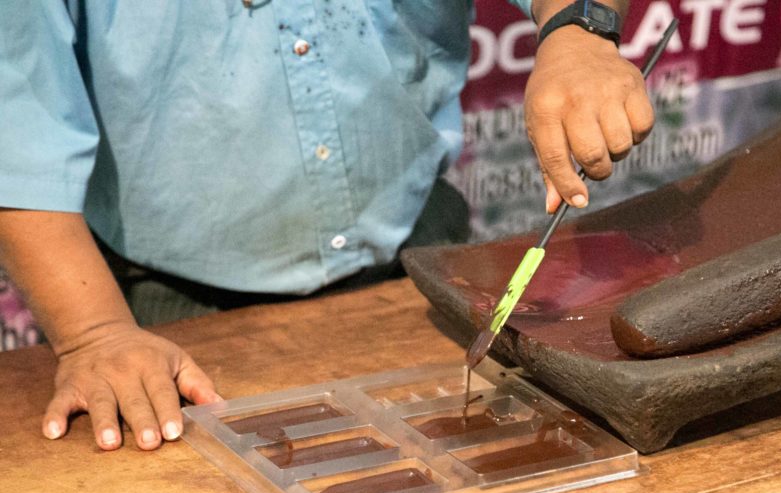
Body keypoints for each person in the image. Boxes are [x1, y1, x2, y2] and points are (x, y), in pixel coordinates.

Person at [0, 0, 654, 452]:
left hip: (416, 254)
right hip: (165, 314)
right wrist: (95, 337)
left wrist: (578, 30)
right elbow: (17, 128)